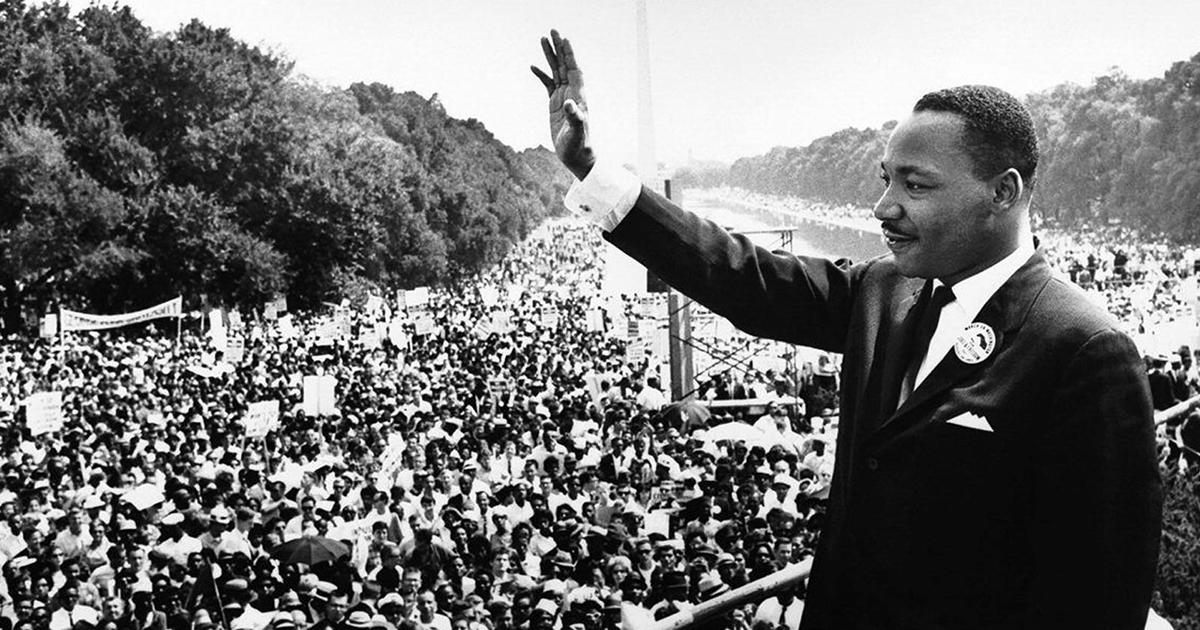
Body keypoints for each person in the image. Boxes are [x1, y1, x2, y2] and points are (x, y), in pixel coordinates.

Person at [532, 30, 1161, 629]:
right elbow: (738, 276)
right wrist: (592, 169)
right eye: (885, 178)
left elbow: (1093, 602)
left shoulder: (1084, 349)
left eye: (915, 184)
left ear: (1003, 193)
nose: (883, 207)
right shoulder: (883, 288)